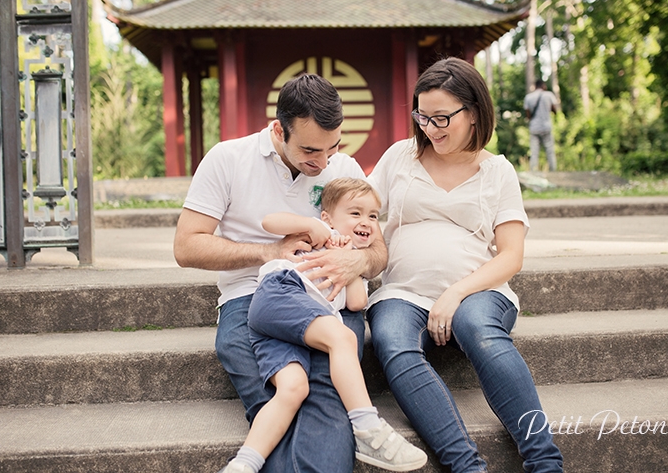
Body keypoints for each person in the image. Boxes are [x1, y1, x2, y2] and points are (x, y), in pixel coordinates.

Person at [173, 74, 388, 473]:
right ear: (278, 130)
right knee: (280, 399)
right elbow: (186, 246)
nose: (323, 162)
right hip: (250, 299)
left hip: (327, 301)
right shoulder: (228, 158)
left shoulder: (343, 167)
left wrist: (355, 262)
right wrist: (271, 251)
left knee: (329, 404)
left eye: (333, 147)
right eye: (310, 150)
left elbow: (377, 248)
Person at [366, 57, 564, 472]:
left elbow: (511, 255)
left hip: (478, 292)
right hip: (402, 292)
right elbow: (357, 210)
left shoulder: (497, 171)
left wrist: (455, 293)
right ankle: (466, 465)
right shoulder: (400, 157)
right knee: (391, 341)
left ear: (473, 113)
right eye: (422, 116)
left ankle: (545, 462)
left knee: (480, 331)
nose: (430, 128)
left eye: (442, 118)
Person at [221, 178, 427, 473]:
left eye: (372, 216)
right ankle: (367, 427)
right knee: (342, 337)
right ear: (328, 217)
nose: (366, 221)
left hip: (285, 329)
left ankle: (244, 464)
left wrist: (353, 263)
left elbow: (356, 303)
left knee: (292, 389)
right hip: (280, 294)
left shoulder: (353, 258)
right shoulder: (319, 236)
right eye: (355, 213)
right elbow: (270, 221)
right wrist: (312, 226)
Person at [523, 78, 559, 172]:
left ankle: (533, 173)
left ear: (535, 86)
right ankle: (553, 173)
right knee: (550, 151)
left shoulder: (528, 97)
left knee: (534, 152)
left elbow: (528, 115)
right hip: (546, 126)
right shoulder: (549, 95)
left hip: (534, 128)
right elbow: (555, 110)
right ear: (543, 86)